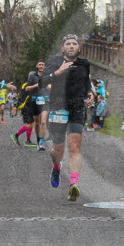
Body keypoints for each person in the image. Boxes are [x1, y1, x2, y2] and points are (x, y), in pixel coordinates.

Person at [43, 34, 93, 201]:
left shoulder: (84, 64)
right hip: (58, 107)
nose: (71, 46)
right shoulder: (54, 62)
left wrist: (90, 92)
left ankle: (73, 184)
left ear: (79, 48)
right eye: (68, 44)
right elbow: (43, 81)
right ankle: (56, 166)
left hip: (76, 108)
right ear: (62, 48)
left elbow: (86, 81)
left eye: (74, 44)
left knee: (75, 147)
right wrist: (58, 72)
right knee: (58, 150)